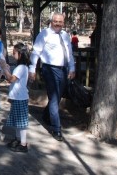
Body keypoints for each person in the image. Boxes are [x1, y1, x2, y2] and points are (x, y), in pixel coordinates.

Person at [29, 13, 75, 141]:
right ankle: (56, 128)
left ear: (63, 22)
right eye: (55, 21)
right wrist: (32, 69)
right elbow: (36, 52)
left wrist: (72, 68)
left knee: (57, 97)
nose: (58, 24)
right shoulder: (44, 34)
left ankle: (45, 115)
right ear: (51, 21)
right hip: (49, 69)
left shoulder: (65, 35)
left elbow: (69, 54)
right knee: (54, 98)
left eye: (60, 21)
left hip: (63, 70)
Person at [0, 43, 30, 153]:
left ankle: (23, 143)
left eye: (14, 53)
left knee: (21, 122)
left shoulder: (21, 67)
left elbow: (11, 79)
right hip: (17, 97)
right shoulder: (21, 67)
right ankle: (18, 139)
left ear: (20, 54)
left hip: (20, 97)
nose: (13, 54)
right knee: (17, 121)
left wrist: (4, 68)